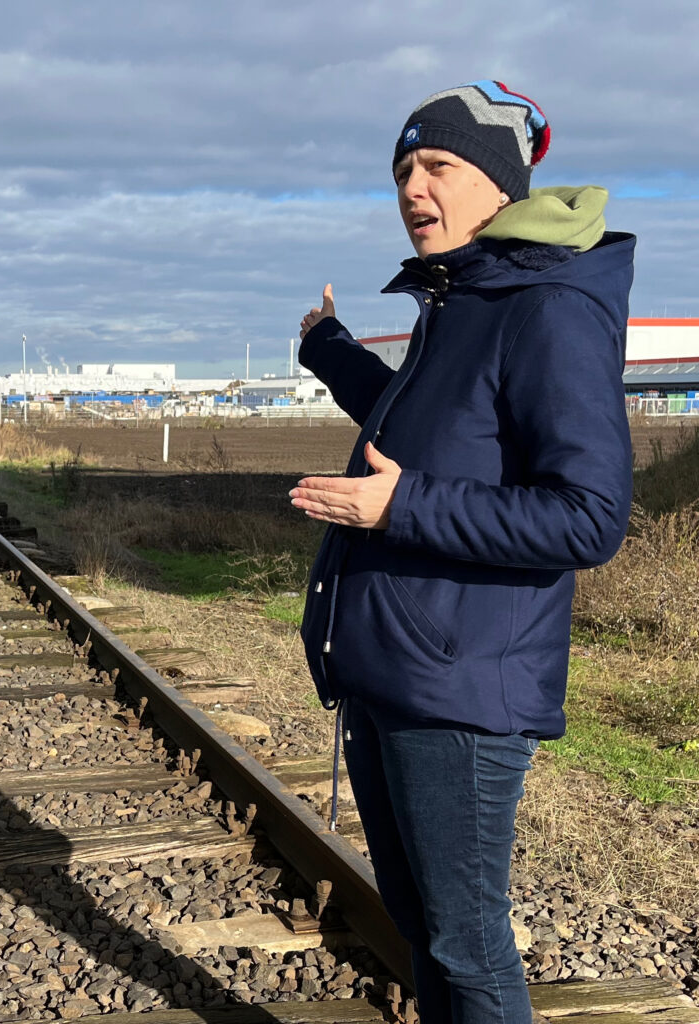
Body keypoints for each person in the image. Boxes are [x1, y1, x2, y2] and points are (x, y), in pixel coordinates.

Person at [291, 81, 634, 1022]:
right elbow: (432, 426)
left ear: (501, 183)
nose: (413, 188)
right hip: (396, 673)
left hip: (461, 688)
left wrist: (398, 507)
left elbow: (589, 515)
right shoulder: (464, 299)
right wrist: (330, 350)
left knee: (468, 947)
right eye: (403, 170)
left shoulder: (546, 307)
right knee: (423, 931)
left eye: (437, 165)